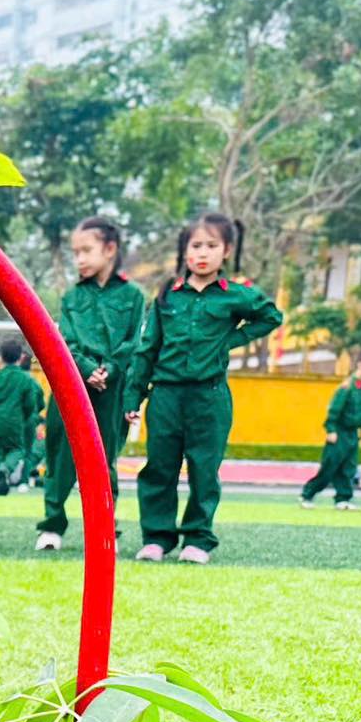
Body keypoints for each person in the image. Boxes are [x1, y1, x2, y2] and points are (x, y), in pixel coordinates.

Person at [130, 213, 283, 563]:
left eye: (211, 246)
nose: (202, 253)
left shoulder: (236, 297)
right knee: (159, 468)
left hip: (209, 397)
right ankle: (157, 538)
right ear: (184, 252)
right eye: (195, 245)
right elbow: (147, 348)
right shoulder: (168, 296)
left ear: (226, 251)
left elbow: (271, 316)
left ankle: (198, 539)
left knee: (203, 468)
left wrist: (232, 338)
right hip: (166, 395)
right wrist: (134, 395)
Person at [37, 216, 147, 551]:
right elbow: (63, 339)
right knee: (58, 455)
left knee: (103, 459)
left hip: (111, 391)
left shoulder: (133, 296)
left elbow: (134, 342)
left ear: (110, 249)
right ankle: (52, 526)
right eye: (75, 253)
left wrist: (110, 370)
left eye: (87, 250)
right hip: (70, 386)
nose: (80, 259)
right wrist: (85, 368)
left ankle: (103, 526)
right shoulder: (71, 297)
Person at [299, 353, 361, 511]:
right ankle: (307, 494)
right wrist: (331, 430)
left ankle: (343, 499)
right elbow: (334, 410)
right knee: (329, 467)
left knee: (348, 468)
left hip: (352, 435)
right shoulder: (347, 387)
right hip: (339, 433)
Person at [0, 340, 43, 497]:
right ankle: (5, 469)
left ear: (1, 357)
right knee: (17, 450)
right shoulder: (26, 380)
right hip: (14, 422)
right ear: (19, 358)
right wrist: (25, 417)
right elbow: (30, 404)